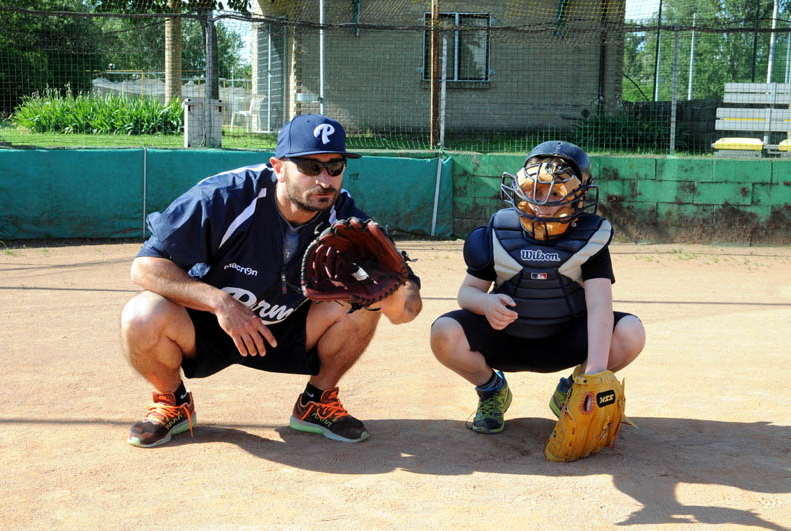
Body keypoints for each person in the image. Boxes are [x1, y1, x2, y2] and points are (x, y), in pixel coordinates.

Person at [121, 114, 422, 447]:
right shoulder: (224, 197)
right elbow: (145, 267)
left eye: (334, 167)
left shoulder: (344, 218)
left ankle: (317, 403)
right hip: (210, 326)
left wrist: (394, 298)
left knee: (364, 302)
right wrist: (219, 302)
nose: (324, 180)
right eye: (310, 167)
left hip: (289, 329)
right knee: (142, 314)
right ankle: (172, 403)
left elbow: (405, 303)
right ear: (278, 166)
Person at [429, 140, 645, 434]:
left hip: (565, 340)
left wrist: (594, 375)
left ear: (577, 197)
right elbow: (466, 293)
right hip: (506, 340)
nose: (540, 202)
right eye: (534, 189)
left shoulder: (589, 239)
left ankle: (573, 392)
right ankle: (491, 390)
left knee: (631, 333)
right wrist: (486, 304)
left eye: (555, 192)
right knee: (443, 333)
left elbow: (599, 306)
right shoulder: (499, 231)